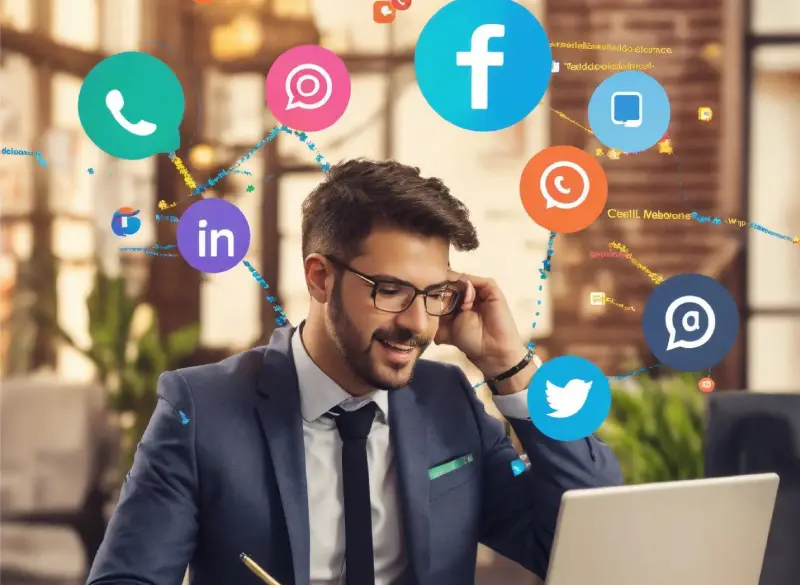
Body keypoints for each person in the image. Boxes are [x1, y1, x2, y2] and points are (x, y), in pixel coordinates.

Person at [88, 159, 623, 585]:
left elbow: (590, 535)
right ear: (320, 278)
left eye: (433, 294)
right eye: (389, 290)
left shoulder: (448, 401)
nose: (416, 323)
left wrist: (512, 367)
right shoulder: (202, 410)